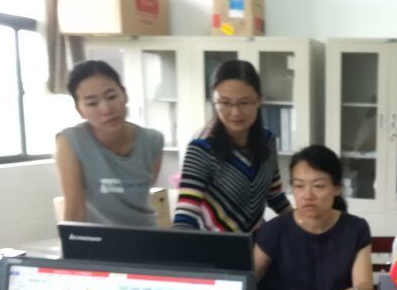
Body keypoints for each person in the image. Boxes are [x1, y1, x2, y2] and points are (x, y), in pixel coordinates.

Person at [254, 145, 373, 290]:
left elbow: (364, 285)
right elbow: (248, 280)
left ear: (337, 187)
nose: (307, 195)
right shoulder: (274, 230)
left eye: (318, 186)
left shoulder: (355, 228)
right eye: (299, 186)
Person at [173, 59, 291, 232]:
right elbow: (184, 218)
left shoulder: (267, 140)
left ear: (259, 100)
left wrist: (302, 222)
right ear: (214, 103)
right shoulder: (201, 149)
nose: (235, 112)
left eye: (244, 102)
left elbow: (274, 195)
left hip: (259, 243)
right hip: (216, 245)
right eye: (225, 103)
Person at [55, 60, 164, 226]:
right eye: (92, 103)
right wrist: (71, 241)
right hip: (97, 237)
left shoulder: (153, 141)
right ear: (80, 110)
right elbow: (75, 209)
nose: (106, 109)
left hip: (146, 234)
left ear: (124, 94)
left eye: (112, 97)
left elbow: (145, 189)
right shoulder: (70, 141)